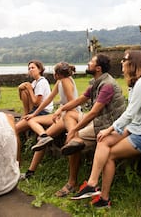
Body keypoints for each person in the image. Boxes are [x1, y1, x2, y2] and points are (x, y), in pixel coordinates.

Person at [70, 50, 141, 209]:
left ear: (133, 63)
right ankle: (93, 184)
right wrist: (113, 132)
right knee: (103, 140)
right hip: (137, 127)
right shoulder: (135, 84)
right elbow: (134, 117)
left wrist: (110, 129)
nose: (121, 62)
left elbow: (130, 114)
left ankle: (104, 198)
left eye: (125, 60)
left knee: (109, 155)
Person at [31, 54, 125, 198]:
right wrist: (61, 109)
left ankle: (72, 182)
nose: (88, 63)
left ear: (98, 68)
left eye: (91, 62)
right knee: (69, 117)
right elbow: (80, 99)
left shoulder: (107, 85)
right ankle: (73, 146)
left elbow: (93, 113)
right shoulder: (96, 82)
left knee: (72, 141)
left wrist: (74, 129)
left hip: (108, 125)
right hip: (99, 121)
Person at [16, 62, 81, 179]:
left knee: (39, 133)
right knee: (34, 124)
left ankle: (31, 171)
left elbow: (72, 103)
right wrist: (34, 114)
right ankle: (43, 137)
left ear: (57, 74)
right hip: (62, 115)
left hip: (69, 115)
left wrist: (59, 110)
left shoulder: (66, 81)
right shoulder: (60, 81)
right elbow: (49, 99)